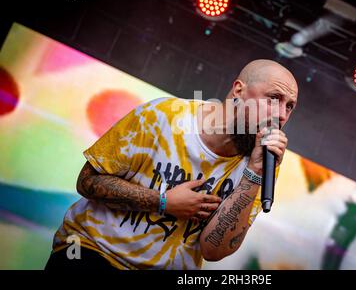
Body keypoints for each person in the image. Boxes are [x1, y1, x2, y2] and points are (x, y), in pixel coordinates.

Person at [45, 59, 299, 270]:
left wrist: (254, 173)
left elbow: (213, 250)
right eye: (273, 98)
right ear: (239, 90)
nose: (281, 115)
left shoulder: (262, 162)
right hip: (93, 253)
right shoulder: (163, 117)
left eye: (290, 106)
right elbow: (87, 182)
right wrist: (163, 202)